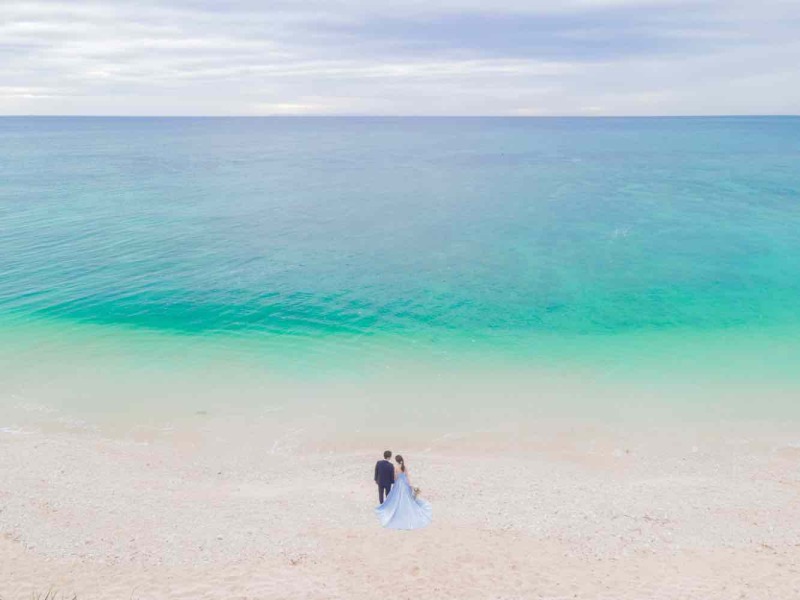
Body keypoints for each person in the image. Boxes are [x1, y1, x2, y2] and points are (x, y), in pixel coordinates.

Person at [374, 454, 432, 530]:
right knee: (407, 497)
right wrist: (409, 484)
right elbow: (407, 477)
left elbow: (395, 478)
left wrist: (394, 482)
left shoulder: (396, 468)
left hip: (399, 484)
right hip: (405, 483)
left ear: (396, 461)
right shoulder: (404, 467)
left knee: (396, 497)